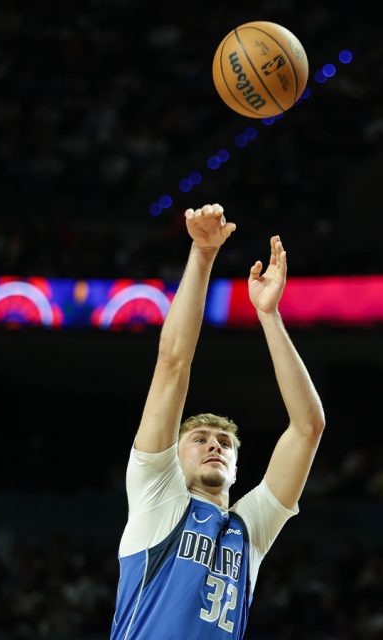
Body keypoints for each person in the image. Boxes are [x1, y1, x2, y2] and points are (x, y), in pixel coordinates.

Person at [110, 203, 326, 639]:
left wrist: (269, 315)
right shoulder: (157, 494)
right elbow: (173, 362)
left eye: (225, 442)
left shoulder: (250, 529)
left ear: (236, 466)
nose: (215, 445)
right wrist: (203, 255)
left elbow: (308, 428)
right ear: (174, 455)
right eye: (202, 438)